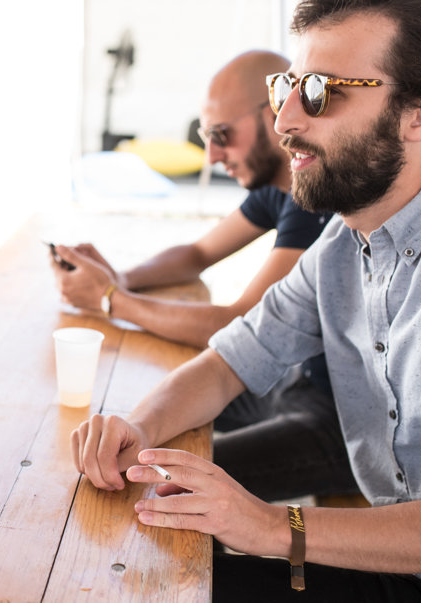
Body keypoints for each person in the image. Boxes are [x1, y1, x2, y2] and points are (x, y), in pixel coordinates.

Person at [72, 0, 421, 602]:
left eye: (320, 92)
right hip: (405, 570)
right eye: (289, 89)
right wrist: (136, 429)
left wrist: (271, 524)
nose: (284, 121)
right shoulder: (344, 243)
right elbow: (232, 358)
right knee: (145, 575)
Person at [52, 50, 358, 502]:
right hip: (294, 381)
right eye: (206, 136)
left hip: (342, 422)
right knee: (149, 421)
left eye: (221, 135)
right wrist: (120, 277)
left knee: (161, 486)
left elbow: (235, 322)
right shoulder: (280, 189)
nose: (212, 155)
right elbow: (197, 254)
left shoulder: (315, 202)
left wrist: (113, 299)